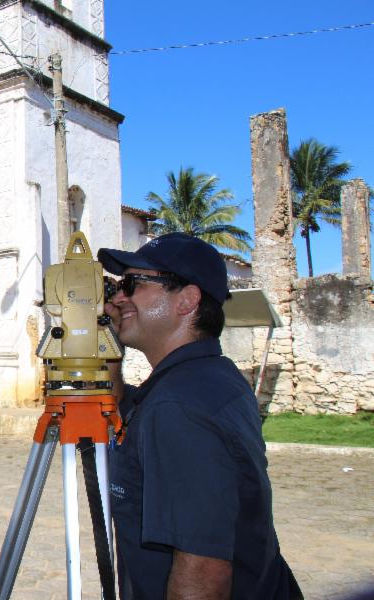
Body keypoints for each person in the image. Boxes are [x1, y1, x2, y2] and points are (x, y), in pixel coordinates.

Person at [97, 232, 301, 600]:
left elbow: (203, 570)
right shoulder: (206, 378)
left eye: (132, 284)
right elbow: (122, 409)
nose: (119, 296)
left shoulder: (180, 407)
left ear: (187, 300)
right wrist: (106, 346)